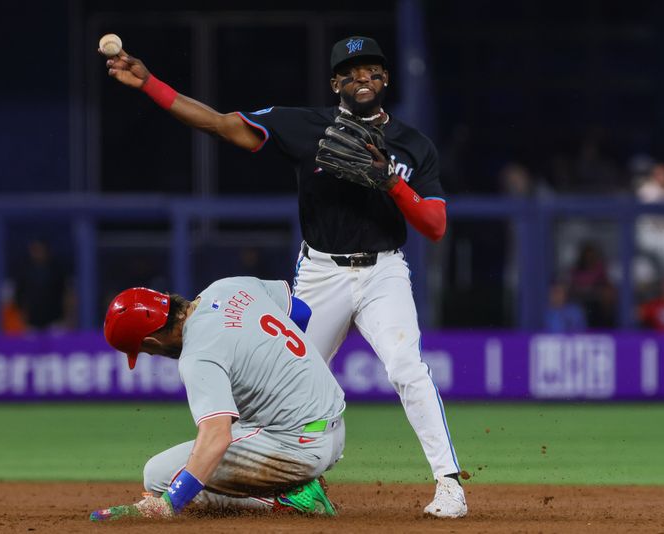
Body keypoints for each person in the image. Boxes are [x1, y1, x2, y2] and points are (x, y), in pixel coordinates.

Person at [102, 35, 466, 518]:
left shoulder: (412, 145)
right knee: (278, 376)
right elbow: (219, 125)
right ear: (335, 81)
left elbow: (435, 227)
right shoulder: (304, 125)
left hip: (382, 270)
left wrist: (392, 182)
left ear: (385, 78)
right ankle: (294, 483)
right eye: (352, 71)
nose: (363, 78)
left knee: (405, 367)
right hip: (320, 271)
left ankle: (448, 483)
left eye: (372, 69)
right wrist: (150, 84)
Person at [90, 276, 345, 520]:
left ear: (151, 341)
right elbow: (300, 311)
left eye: (145, 351)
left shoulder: (197, 355)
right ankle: (293, 481)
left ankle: (288, 500)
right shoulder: (229, 287)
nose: (152, 355)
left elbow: (216, 436)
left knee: (158, 476)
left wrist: (170, 503)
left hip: (297, 448)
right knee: (226, 433)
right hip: (333, 424)